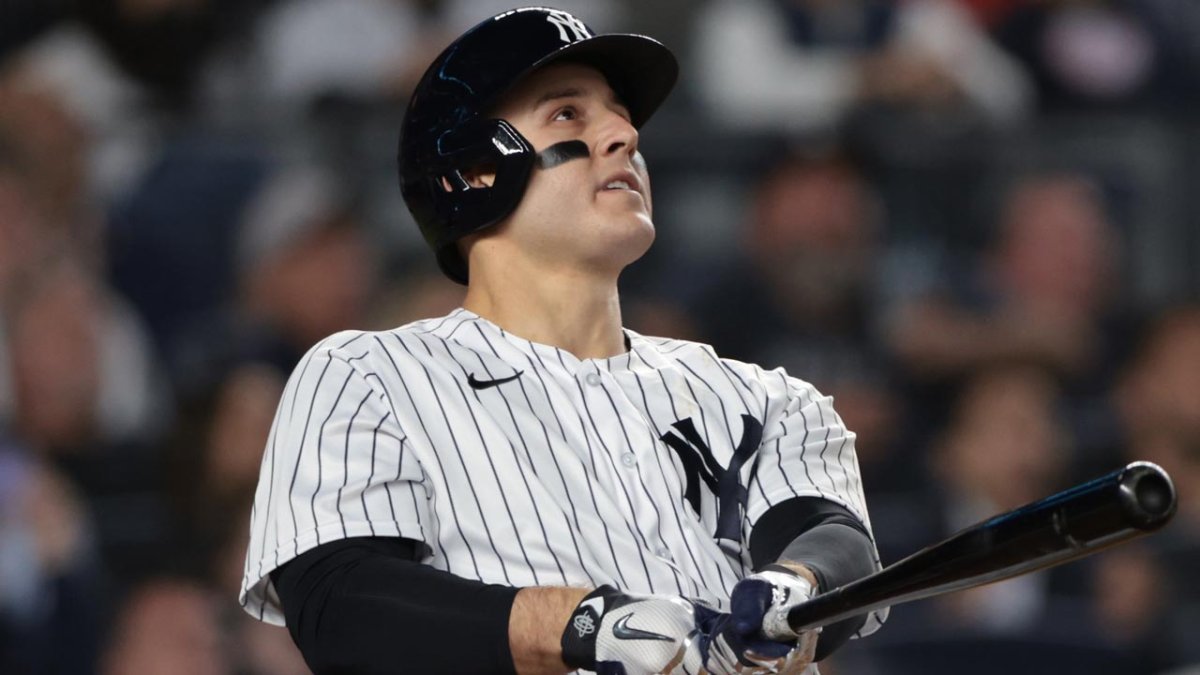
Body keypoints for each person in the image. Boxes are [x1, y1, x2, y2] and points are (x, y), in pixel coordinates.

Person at [239, 8, 885, 674]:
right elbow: (341, 605)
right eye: (568, 115)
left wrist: (793, 588)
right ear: (473, 172)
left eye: (621, 114)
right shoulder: (368, 374)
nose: (625, 133)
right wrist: (582, 623)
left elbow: (833, 537)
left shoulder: (763, 395)